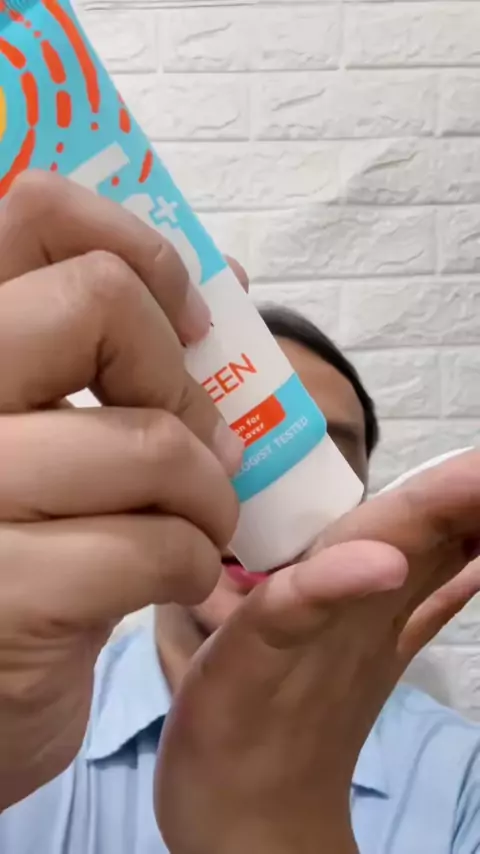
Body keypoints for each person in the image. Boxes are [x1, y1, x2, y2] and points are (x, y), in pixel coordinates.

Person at [1, 173, 480, 854]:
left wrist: (273, 829)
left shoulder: (458, 775)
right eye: (220, 450)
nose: (253, 502)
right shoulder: (27, 726)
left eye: (304, 457)